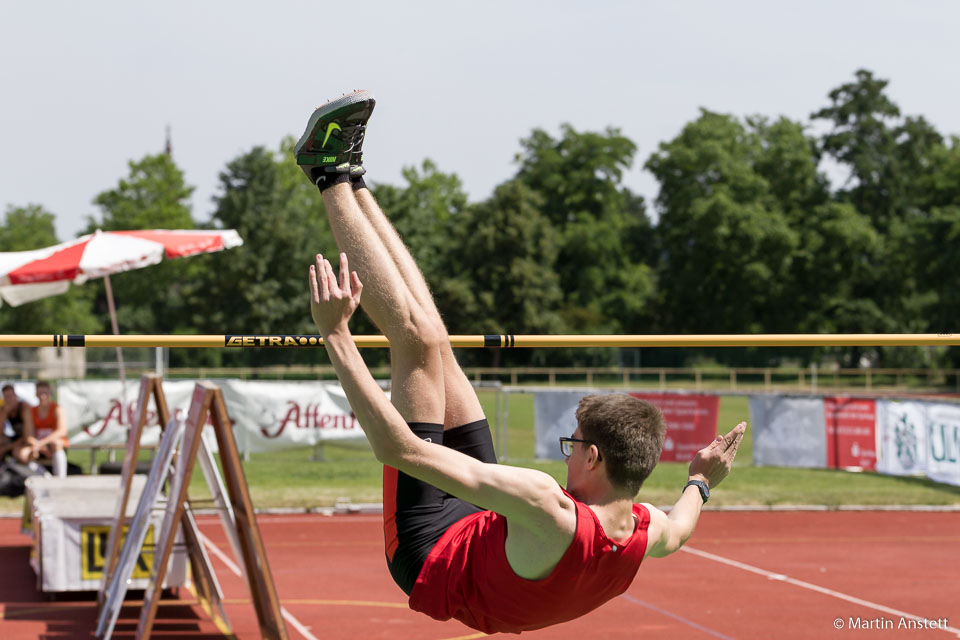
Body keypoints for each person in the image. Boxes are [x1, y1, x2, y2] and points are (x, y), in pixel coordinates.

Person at [296, 91, 747, 634]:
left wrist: (337, 335)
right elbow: (682, 525)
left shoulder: (547, 504)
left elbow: (397, 450)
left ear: (596, 458)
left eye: (573, 444)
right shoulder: (643, 529)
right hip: (492, 527)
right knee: (436, 342)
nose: (567, 455)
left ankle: (326, 174)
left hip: (427, 553)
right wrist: (700, 481)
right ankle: (352, 176)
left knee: (412, 341)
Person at [16, 380, 68, 478]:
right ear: (36, 394)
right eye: (40, 393)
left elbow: (62, 431)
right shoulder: (30, 411)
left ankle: (61, 478)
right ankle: (46, 477)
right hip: (38, 445)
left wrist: (41, 444)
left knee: (56, 443)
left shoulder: (57, 408)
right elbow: (29, 435)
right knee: (21, 454)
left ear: (50, 393)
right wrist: (38, 446)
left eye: (45, 393)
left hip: (51, 444)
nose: (42, 396)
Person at [0, 384, 27, 461]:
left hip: (29, 439)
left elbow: (27, 436)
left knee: (19, 453)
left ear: (16, 396)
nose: (9, 399)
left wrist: (5, 449)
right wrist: (4, 413)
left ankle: (41, 472)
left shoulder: (24, 407)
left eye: (10, 396)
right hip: (16, 438)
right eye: (6, 397)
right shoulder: (4, 409)